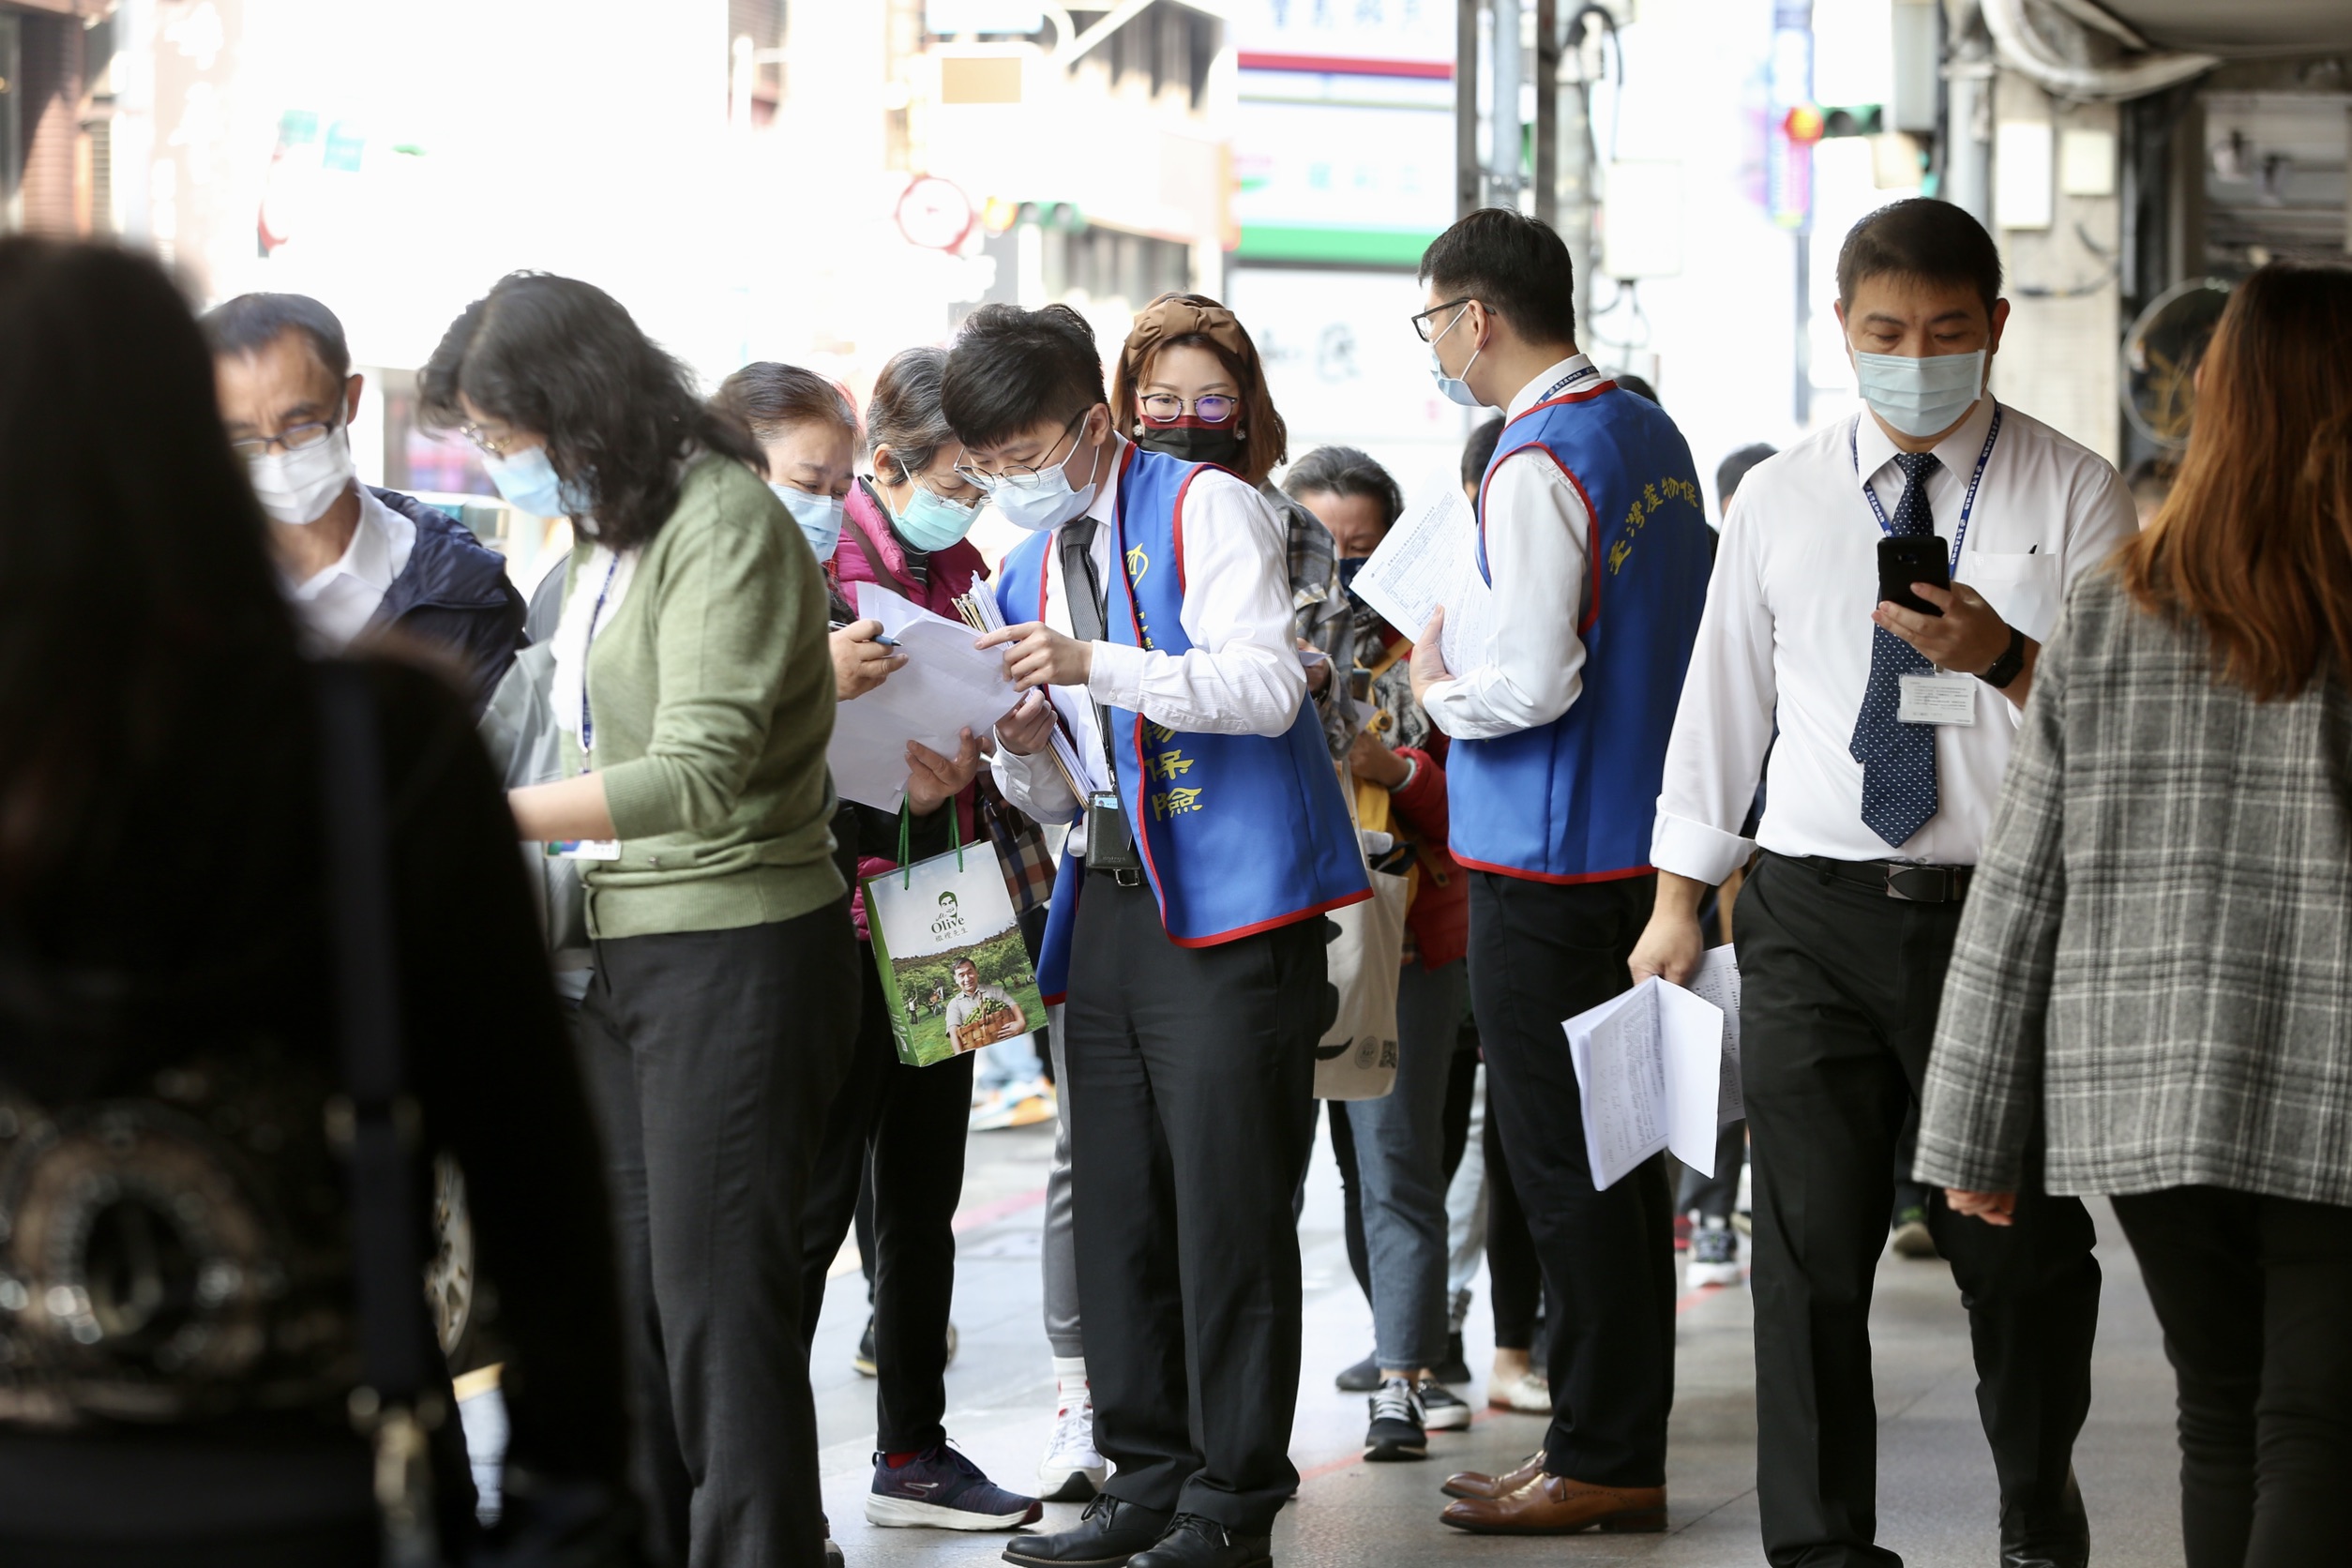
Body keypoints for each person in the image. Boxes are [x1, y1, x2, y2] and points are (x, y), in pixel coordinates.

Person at [0, 238, 631, 1563]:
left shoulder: (402, 684)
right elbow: (536, 1179)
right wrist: (571, 1508)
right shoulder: (378, 741)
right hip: (321, 1480)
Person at [1628, 197, 2134, 1568]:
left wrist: (2001, 651)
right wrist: (1680, 901)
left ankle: (2036, 1513)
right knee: (1805, 1255)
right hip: (1810, 911)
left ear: (1997, 331)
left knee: (2020, 1255)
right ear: (1842, 330)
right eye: (1889, 332)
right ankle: (1821, 1548)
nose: (1919, 356)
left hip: (2003, 917)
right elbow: (1723, 705)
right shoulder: (1782, 494)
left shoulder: (2075, 490)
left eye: (1949, 332)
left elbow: (2122, 718)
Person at [1917, 262, 2352, 1568]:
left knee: (2220, 1417)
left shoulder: (2119, 599)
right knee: (2318, 1425)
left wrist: (1971, 1129)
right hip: (2333, 1073)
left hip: (2146, 1084)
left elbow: (2025, 872)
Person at [423, 273, 859, 1568]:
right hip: (626, 947)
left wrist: (475, 817)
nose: (498, 464)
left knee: (721, 1317)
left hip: (733, 944)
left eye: (503, 439)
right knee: (630, 1313)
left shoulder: (720, 523)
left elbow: (697, 774)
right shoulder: (608, 537)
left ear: (575, 410)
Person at [947, 302, 1365, 1568]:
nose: (1011, 484)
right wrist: (1025, 748)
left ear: (1091, 423)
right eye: (990, 467)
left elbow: (1265, 685)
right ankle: (1144, 1477)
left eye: (1028, 454)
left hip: (1234, 902)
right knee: (1120, 1197)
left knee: (1229, 1201)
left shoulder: (1205, 507)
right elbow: (1062, 785)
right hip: (1111, 887)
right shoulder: (1012, 569)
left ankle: (1233, 1495)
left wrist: (1095, 663)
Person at [1403, 208, 1711, 1537]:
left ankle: (1600, 1453)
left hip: (1539, 857)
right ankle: (1609, 1443)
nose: (1436, 347)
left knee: (1562, 1165)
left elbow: (1532, 678)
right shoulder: (1649, 435)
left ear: (1479, 318)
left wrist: (1434, 684)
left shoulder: (1531, 459)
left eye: (1434, 322)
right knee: (1625, 1156)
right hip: (1638, 853)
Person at [714, 353, 1040, 1536]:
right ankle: (758, 1472)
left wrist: (995, 744)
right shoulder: (804, 562)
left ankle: (914, 1449)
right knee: (809, 1205)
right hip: (834, 911)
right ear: (887, 467)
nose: (975, 499)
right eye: (961, 476)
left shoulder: (960, 569)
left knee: (923, 1189)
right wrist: (826, 686)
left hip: (950, 896)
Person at [1283, 444, 1474, 1461]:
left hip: (1408, 943)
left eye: (1360, 551)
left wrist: (1388, 765)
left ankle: (1406, 1373)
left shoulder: (1433, 650)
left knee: (1394, 1167)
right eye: (1321, 550)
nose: (1340, 576)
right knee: (1279, 1177)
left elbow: (1470, 816)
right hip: (1278, 940)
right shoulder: (1256, 646)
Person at [203, 292, 525, 713]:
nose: (277, 457)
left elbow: (500, 765)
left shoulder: (464, 591)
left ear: (348, 401)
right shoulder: (183, 589)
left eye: (300, 426)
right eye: (243, 438)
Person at [1109, 293, 1354, 759]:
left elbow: (1340, 735)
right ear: (1133, 408)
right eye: (1163, 401)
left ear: (1243, 412)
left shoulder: (1293, 530)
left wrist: (1317, 682)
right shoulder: (1101, 517)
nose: (1185, 421)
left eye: (1212, 403)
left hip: (1251, 790)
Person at [1676, 438, 1778, 1291]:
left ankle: (1717, 1211)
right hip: (1698, 852)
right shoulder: (1696, 576)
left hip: (1774, 859)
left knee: (1749, 1037)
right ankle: (1700, 1205)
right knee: (1707, 1035)